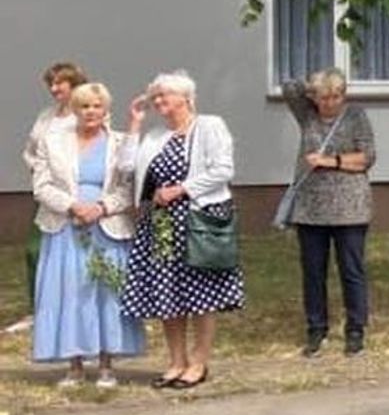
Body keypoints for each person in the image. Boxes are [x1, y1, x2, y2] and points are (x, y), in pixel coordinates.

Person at [119, 71, 244, 390]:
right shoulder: (155, 136)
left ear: (185, 97)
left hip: (198, 219)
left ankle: (199, 362)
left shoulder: (209, 126)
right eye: (155, 96)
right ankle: (176, 361)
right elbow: (126, 168)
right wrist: (134, 124)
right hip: (161, 223)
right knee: (167, 290)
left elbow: (223, 170)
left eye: (164, 94)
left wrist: (181, 189)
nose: (158, 100)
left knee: (201, 293)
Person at [30, 83, 143, 387]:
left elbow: (128, 187)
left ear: (106, 110)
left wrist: (101, 208)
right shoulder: (52, 141)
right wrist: (72, 206)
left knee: (107, 294)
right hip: (65, 226)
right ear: (75, 110)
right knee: (70, 292)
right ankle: (75, 365)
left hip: (107, 227)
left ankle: (106, 366)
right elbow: (41, 186)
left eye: (97, 106)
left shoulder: (120, 143)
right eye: (84, 106)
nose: (91, 112)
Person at [280, 68, 377, 357]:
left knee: (351, 270)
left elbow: (367, 157)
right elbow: (289, 88)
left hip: (349, 207)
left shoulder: (355, 116)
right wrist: (313, 85)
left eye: (336, 96)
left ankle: (355, 329)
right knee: (313, 272)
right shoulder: (308, 115)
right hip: (311, 208)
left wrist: (330, 161)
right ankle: (316, 328)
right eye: (324, 97)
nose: (330, 103)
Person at [17, 61, 88, 328]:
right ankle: (38, 309)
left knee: (76, 255)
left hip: (77, 194)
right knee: (35, 251)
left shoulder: (86, 114)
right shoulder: (47, 116)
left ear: (74, 84)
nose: (54, 88)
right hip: (47, 193)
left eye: (60, 83)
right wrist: (38, 168)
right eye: (51, 84)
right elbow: (30, 150)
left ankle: (77, 310)